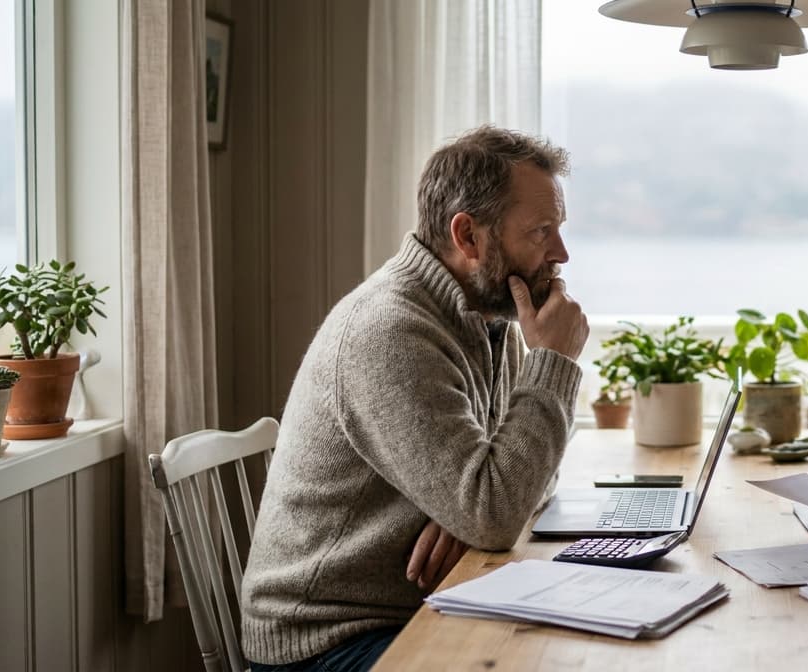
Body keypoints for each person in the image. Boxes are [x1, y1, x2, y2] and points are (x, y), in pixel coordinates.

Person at [240, 126, 589, 672]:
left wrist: (466, 506)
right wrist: (555, 366)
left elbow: (516, 484)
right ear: (468, 237)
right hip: (326, 639)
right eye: (541, 232)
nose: (561, 254)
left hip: (417, 608)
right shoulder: (390, 333)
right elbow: (499, 508)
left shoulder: (485, 314)